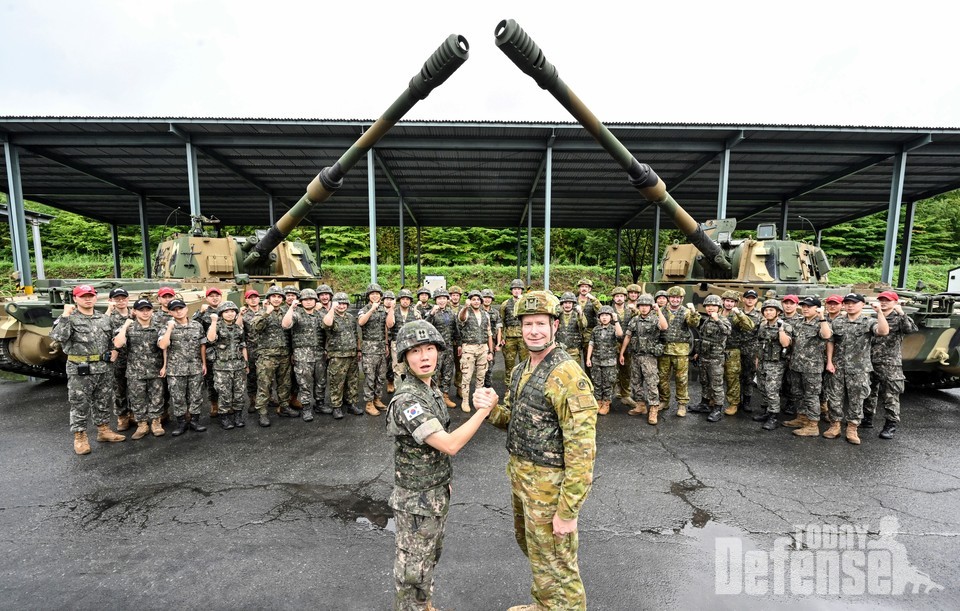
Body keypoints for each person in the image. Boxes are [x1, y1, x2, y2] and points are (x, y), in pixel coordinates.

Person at [475, 290, 598, 611]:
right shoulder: (520, 370)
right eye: (528, 324)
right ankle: (544, 605)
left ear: (555, 326)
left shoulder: (568, 376)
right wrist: (491, 409)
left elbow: (582, 452)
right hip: (523, 482)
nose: (534, 330)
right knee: (537, 552)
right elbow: (513, 420)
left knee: (560, 565)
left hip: (550, 489)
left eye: (541, 324)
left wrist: (568, 511)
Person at [385, 320, 492, 611]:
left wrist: (444, 479)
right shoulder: (409, 399)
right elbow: (450, 444)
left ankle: (426, 606)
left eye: (430, 349)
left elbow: (435, 452)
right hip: (416, 501)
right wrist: (483, 412)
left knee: (429, 558)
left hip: (434, 492)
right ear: (405, 357)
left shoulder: (429, 389)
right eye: (415, 351)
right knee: (412, 570)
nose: (424, 357)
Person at [51, 285, 124, 455]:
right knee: (79, 403)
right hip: (80, 369)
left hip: (103, 367)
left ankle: (103, 430)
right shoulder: (68, 318)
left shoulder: (103, 318)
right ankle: (80, 436)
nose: (88, 299)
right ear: (75, 299)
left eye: (90, 295)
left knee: (103, 400)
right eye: (83, 296)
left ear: (96, 297)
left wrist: (115, 350)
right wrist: (65, 315)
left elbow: (114, 339)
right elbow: (58, 338)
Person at [825, 293, 889, 445]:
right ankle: (835, 426)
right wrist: (829, 361)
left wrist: (879, 312)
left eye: (854, 302)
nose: (850, 305)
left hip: (859, 368)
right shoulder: (838, 321)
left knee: (856, 399)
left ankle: (852, 428)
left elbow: (883, 331)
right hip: (838, 366)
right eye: (847, 302)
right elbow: (830, 341)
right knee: (834, 398)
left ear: (862, 304)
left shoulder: (868, 321)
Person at [862, 291, 918, 439]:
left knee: (890, 395)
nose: (884, 302)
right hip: (870, 360)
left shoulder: (899, 318)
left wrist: (902, 313)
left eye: (888, 300)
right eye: (881, 300)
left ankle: (890, 424)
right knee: (869, 392)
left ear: (895, 302)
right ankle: (867, 418)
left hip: (890, 363)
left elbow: (910, 330)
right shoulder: (874, 318)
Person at [113, 298, 166, 439]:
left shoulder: (160, 326)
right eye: (141, 310)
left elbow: (164, 345)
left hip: (155, 369)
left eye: (148, 309)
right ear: (134, 312)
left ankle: (156, 422)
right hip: (135, 371)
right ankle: (142, 424)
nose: (145, 313)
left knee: (157, 398)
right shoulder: (128, 328)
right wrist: (125, 326)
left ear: (152, 311)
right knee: (137, 399)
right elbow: (118, 344)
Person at [158, 298, 208, 436]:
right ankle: (181, 423)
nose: (178, 311)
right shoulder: (166, 327)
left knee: (196, 396)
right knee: (178, 397)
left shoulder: (197, 326)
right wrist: (169, 328)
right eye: (174, 309)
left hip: (195, 366)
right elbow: (163, 346)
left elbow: (202, 345)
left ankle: (194, 421)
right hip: (175, 369)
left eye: (180, 308)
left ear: (186, 309)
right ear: (170, 312)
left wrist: (204, 363)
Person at [784, 296, 832, 437]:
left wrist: (822, 316)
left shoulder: (821, 323)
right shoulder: (798, 323)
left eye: (809, 306)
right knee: (797, 394)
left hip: (812, 368)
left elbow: (826, 335)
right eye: (803, 306)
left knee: (811, 396)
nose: (805, 309)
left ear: (816, 308)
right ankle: (802, 418)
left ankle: (812, 425)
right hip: (796, 365)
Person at [620, 294, 668, 424]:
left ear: (650, 307)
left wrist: (658, 311)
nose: (644, 308)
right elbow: (628, 337)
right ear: (638, 306)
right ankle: (640, 405)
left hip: (649, 356)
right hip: (635, 355)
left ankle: (653, 408)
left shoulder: (655, 319)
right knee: (636, 382)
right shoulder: (634, 320)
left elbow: (664, 327)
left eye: (647, 306)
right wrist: (622, 353)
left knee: (651, 382)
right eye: (641, 305)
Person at [252, 286, 295, 426]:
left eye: (279, 296)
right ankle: (262, 412)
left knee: (285, 383)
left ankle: (284, 406)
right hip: (267, 356)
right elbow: (255, 327)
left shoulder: (285, 312)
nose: (276, 299)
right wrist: (266, 313)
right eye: (273, 296)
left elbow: (291, 332)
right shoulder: (262, 312)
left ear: (282, 299)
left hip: (283, 354)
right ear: (269, 298)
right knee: (264, 385)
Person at [657, 286, 701, 417]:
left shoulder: (686, 312)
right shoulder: (661, 310)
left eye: (678, 297)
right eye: (673, 297)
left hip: (680, 351)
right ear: (669, 298)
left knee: (681, 379)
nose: (675, 300)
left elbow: (693, 324)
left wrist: (693, 311)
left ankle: (682, 404)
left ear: (681, 299)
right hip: (664, 350)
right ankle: (664, 401)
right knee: (662, 378)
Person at [751, 300, 793, 431]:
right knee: (762, 387)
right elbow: (759, 344)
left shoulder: (785, 326)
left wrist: (780, 330)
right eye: (766, 310)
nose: (768, 312)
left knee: (772, 390)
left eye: (771, 310)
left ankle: (773, 417)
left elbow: (786, 344)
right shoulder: (763, 326)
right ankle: (767, 412)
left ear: (778, 312)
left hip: (776, 364)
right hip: (763, 361)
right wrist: (757, 361)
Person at [208, 301, 249, 429]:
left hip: (238, 365)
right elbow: (211, 339)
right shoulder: (217, 326)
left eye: (232, 311)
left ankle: (238, 415)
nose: (230, 314)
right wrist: (214, 322)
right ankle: (224, 416)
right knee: (224, 393)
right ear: (221, 313)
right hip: (222, 367)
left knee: (239, 392)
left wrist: (246, 364)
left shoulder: (238, 328)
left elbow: (243, 346)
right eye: (226, 311)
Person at [324, 292, 363, 419]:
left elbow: (356, 335)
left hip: (351, 354)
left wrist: (358, 350)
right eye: (339, 303)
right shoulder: (330, 316)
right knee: (337, 382)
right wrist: (331, 309)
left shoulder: (351, 318)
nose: (341, 306)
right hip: (337, 356)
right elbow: (327, 324)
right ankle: (336, 406)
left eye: (344, 303)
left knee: (352, 381)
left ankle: (351, 404)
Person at [719, 290, 756, 416]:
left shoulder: (736, 315)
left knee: (732, 378)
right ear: (723, 301)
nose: (729, 304)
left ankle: (734, 403)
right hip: (717, 350)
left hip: (732, 350)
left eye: (732, 302)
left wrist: (739, 314)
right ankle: (713, 400)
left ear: (736, 303)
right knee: (715, 377)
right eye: (727, 301)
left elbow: (749, 326)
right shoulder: (717, 312)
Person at [456, 289, 493, 413]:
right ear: (470, 301)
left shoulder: (485, 314)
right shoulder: (466, 312)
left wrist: (490, 351)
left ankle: (477, 401)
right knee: (466, 376)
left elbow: (489, 333)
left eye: (478, 299)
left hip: (483, 348)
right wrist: (465, 307)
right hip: (469, 348)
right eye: (473, 299)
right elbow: (461, 319)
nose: (476, 301)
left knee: (480, 377)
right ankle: (465, 400)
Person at [698, 295, 732, 423]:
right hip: (705, 356)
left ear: (719, 307)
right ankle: (704, 403)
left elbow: (727, 332)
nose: (710, 308)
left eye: (713, 306)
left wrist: (717, 320)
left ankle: (717, 408)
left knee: (716, 384)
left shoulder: (723, 319)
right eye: (708, 306)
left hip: (716, 358)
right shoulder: (707, 320)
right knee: (704, 381)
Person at [358, 283, 389, 416]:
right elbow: (361, 322)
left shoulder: (383, 310)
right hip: (369, 349)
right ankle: (369, 403)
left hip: (381, 347)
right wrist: (371, 309)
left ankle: (377, 399)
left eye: (377, 294)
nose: (375, 295)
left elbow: (386, 328)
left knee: (381, 376)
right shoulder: (364, 309)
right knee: (370, 377)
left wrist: (386, 344)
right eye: (372, 294)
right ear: (368, 296)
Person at [586, 305, 622, 415]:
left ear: (611, 317)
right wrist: (588, 358)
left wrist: (616, 321)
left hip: (609, 361)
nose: (604, 318)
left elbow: (620, 335)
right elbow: (591, 344)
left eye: (607, 315)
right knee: (597, 382)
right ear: (599, 317)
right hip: (596, 360)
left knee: (608, 383)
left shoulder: (614, 328)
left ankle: (606, 403)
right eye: (602, 315)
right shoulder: (596, 329)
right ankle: (598, 401)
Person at [425, 288, 458, 407]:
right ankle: (432, 396)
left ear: (447, 300)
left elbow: (456, 330)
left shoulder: (451, 313)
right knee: (434, 372)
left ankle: (445, 396)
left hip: (448, 347)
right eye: (439, 298)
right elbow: (425, 325)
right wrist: (432, 313)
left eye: (444, 298)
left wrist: (458, 344)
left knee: (448, 371)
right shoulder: (431, 312)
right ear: (435, 300)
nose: (442, 301)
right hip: (435, 348)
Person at [106, 287, 133, 432]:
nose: (121, 301)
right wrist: (109, 310)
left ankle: (135, 413)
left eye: (123, 298)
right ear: (111, 301)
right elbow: (101, 330)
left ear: (128, 299)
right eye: (117, 299)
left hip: (135, 357)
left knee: (136, 388)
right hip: (118, 357)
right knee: (119, 388)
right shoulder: (109, 317)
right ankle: (122, 416)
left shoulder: (135, 314)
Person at [194, 286, 224, 417]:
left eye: (217, 295)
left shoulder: (226, 310)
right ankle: (214, 404)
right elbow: (193, 327)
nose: (215, 298)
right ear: (207, 298)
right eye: (211, 296)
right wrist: (200, 313)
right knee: (211, 380)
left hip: (226, 350)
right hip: (211, 352)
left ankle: (226, 403)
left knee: (226, 379)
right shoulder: (203, 312)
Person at [387, 288, 422, 390]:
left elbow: (419, 328)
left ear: (410, 301)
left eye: (407, 299)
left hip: (412, 344)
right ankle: (399, 392)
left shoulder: (415, 312)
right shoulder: (394, 311)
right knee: (398, 369)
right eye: (403, 299)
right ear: (399, 300)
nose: (405, 301)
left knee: (412, 368)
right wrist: (391, 309)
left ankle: (412, 391)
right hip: (397, 344)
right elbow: (389, 324)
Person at [609, 286, 637, 409]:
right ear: (613, 298)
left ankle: (625, 394)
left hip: (627, 344)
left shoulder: (631, 310)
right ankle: (608, 396)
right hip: (612, 343)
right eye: (617, 296)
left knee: (626, 370)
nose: (619, 298)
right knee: (611, 372)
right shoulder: (609, 310)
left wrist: (635, 309)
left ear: (625, 297)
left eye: (621, 296)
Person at [500, 279, 528, 387]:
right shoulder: (505, 304)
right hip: (510, 338)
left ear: (522, 291)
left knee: (524, 363)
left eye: (519, 289)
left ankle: (523, 386)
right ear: (511, 290)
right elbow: (501, 321)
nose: (517, 291)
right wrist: (502, 336)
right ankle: (509, 387)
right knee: (509, 364)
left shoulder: (525, 303)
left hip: (523, 337)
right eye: (515, 289)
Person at [738, 289, 763, 410]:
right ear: (743, 299)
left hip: (751, 350)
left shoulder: (759, 315)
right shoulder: (736, 313)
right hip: (736, 348)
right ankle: (735, 400)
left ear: (756, 300)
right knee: (735, 376)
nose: (750, 300)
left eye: (753, 298)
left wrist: (758, 355)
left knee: (748, 376)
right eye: (748, 297)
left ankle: (747, 401)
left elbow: (761, 335)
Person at [240, 289, 262, 410]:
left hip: (265, 349)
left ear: (259, 298)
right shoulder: (244, 315)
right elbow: (239, 329)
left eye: (255, 297)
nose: (253, 299)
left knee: (266, 376)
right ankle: (253, 400)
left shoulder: (265, 311)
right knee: (252, 376)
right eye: (250, 297)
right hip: (251, 349)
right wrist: (240, 315)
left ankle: (267, 397)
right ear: (246, 300)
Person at [574, 278, 602, 375]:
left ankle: (590, 381)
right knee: (574, 359)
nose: (584, 289)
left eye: (586, 287)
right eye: (582, 287)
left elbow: (602, 312)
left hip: (589, 332)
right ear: (579, 288)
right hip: (575, 332)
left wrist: (594, 300)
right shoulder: (573, 300)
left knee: (588, 359)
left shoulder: (593, 301)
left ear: (590, 289)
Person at [556, 292, 588, 362]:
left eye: (570, 303)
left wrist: (580, 314)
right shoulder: (558, 315)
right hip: (560, 350)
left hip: (574, 351)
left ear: (573, 304)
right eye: (565, 303)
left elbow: (584, 325)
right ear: (562, 304)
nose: (567, 305)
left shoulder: (578, 315)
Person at [481, 288, 503, 388]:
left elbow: (499, 328)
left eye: (489, 298)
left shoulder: (495, 312)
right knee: (479, 367)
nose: (487, 300)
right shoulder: (477, 311)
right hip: (480, 342)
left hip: (491, 342)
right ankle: (479, 388)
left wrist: (498, 343)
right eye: (485, 297)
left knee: (490, 366)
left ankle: (487, 387)